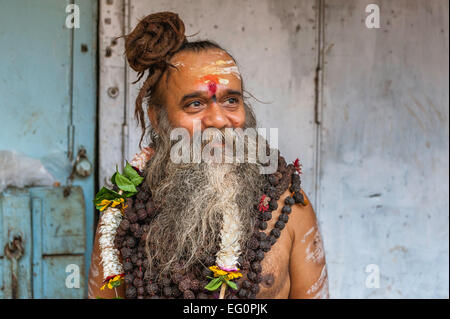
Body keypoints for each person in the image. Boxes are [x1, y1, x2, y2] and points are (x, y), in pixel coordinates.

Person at [88, 12, 328, 299]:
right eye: (195, 104)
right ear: (157, 117)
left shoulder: (288, 206)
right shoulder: (123, 213)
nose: (219, 119)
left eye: (230, 100)